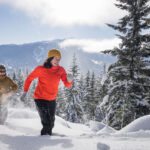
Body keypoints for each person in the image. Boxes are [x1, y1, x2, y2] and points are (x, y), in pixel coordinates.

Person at [21, 49, 73, 136]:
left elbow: (67, 85)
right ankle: (44, 140)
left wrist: (70, 80)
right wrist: (25, 91)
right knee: (47, 123)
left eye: (59, 59)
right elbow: (29, 78)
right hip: (40, 98)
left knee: (51, 122)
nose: (58, 60)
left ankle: (48, 138)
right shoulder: (41, 69)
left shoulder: (61, 70)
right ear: (50, 58)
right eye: (56, 58)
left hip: (52, 99)